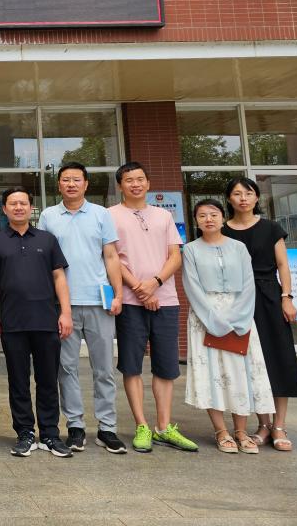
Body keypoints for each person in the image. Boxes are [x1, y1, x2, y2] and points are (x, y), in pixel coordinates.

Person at [37, 161, 126, 454]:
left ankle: (107, 428)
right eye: (66, 180)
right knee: (67, 368)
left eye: (76, 179)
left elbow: (111, 256)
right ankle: (75, 426)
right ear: (59, 185)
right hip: (64, 305)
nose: (71, 184)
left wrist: (118, 294)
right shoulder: (49, 216)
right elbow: (43, 260)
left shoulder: (101, 214)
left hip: (99, 301)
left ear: (86, 184)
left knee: (104, 368)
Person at [108, 163, 197, 453]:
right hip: (130, 302)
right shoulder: (110, 215)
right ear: (120, 185)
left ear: (148, 183)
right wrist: (139, 288)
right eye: (128, 180)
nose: (135, 184)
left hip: (166, 300)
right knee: (131, 365)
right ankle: (142, 426)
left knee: (166, 366)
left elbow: (175, 255)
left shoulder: (164, 215)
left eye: (140, 179)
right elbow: (112, 258)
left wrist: (155, 283)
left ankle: (164, 427)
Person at [183, 199, 275, 454]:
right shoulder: (190, 250)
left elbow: (248, 284)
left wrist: (238, 318)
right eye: (202, 215)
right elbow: (192, 287)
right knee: (212, 373)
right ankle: (221, 431)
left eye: (213, 214)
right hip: (205, 318)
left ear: (223, 218)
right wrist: (214, 320)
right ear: (196, 221)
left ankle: (241, 431)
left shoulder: (239, 248)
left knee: (240, 372)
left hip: (240, 316)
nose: (208, 219)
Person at [0, 187, 75, 459]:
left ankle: (50, 434)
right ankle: (25, 433)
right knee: (18, 381)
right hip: (12, 323)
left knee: (47, 380)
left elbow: (59, 277)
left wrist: (66, 313)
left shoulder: (47, 239)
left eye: (23, 203)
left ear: (31, 207)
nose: (18, 208)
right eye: (13, 204)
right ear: (4, 209)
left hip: (46, 321)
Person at [222, 176, 297, 451]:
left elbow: (283, 265)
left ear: (256, 197)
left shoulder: (271, 228)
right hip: (237, 301)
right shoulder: (223, 231)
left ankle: (279, 425)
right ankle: (263, 424)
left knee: (277, 358)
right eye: (237, 194)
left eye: (248, 193)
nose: (243, 198)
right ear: (229, 199)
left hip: (269, 297)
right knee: (249, 362)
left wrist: (286, 298)